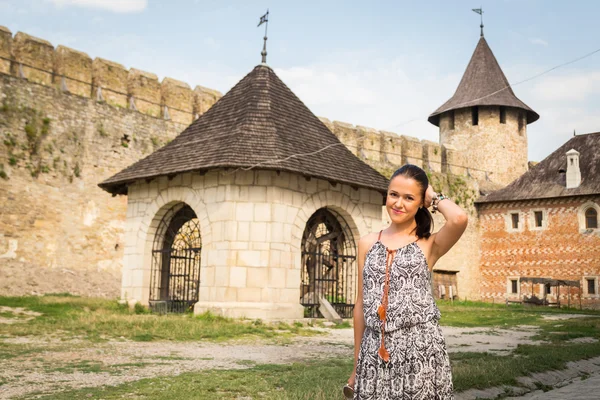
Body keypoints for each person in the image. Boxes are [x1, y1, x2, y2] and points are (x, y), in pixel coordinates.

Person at [347, 164, 468, 400]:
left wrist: (433, 197)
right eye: (394, 194)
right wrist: (356, 365)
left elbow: (459, 218)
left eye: (408, 197)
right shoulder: (367, 243)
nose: (398, 203)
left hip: (420, 352)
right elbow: (361, 306)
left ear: (421, 202)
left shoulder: (428, 244)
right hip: (374, 352)